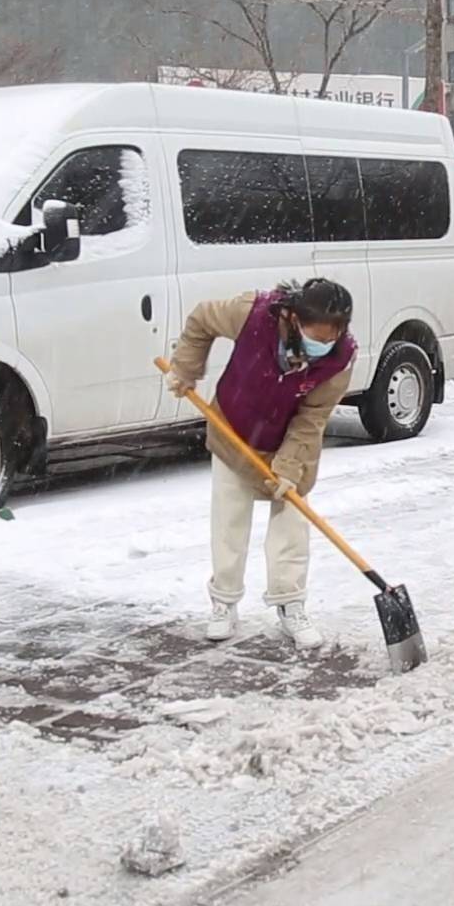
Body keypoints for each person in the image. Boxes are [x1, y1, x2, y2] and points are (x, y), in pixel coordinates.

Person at [167, 278, 356, 650]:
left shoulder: (340, 358)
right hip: (234, 431)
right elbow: (203, 318)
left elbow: (313, 417)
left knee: (291, 524)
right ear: (291, 316)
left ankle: (291, 604)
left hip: (291, 441)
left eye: (329, 339)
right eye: (314, 337)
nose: (321, 348)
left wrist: (288, 467)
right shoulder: (251, 315)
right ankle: (224, 601)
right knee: (229, 519)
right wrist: (185, 369)